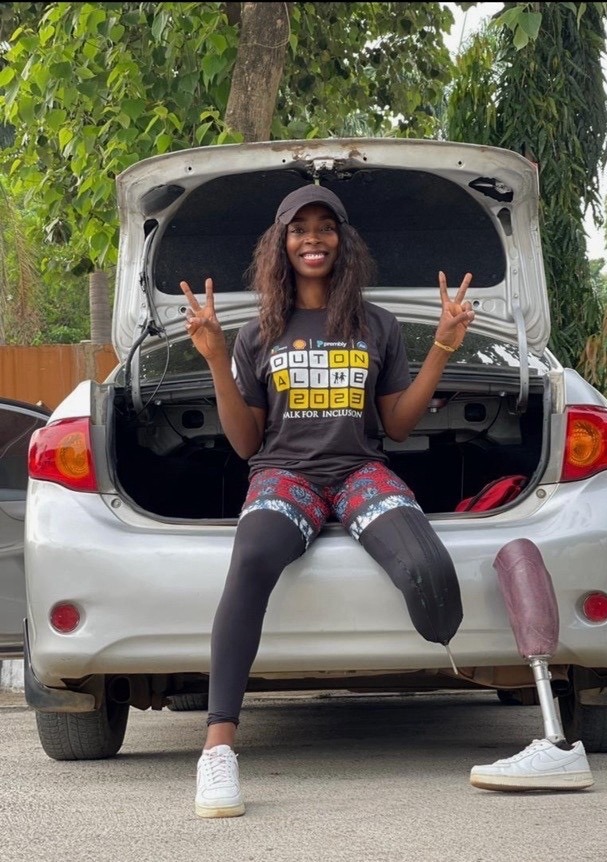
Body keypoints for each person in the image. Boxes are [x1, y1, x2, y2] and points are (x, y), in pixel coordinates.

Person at [179, 184, 475, 819]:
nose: (312, 239)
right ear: (280, 245)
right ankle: (218, 749)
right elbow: (246, 441)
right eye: (298, 229)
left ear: (344, 241)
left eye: (325, 227)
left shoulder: (378, 326)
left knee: (427, 569)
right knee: (253, 555)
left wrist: (445, 345)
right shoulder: (259, 335)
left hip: (359, 470)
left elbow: (396, 425)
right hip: (286, 474)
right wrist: (213, 360)